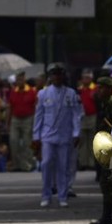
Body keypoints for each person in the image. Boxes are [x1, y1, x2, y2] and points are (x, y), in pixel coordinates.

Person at [32, 62, 81, 208]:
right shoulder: (43, 93)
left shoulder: (70, 93)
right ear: (50, 77)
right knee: (46, 163)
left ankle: (62, 195)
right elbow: (38, 116)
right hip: (47, 134)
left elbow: (76, 115)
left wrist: (76, 132)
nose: (57, 77)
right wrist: (36, 136)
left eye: (59, 75)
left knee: (63, 166)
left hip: (64, 134)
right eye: (54, 75)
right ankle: (46, 194)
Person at [89, 76, 112, 224]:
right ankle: (108, 216)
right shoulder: (103, 102)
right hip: (105, 146)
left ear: (110, 89)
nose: (100, 90)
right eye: (99, 87)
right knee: (107, 183)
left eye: (103, 87)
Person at [7, 71, 38, 172]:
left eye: (21, 79)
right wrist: (8, 122)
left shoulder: (32, 91)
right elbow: (10, 107)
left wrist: (35, 121)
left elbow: (36, 107)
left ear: (24, 80)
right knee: (13, 141)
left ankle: (27, 164)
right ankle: (16, 164)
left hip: (28, 119)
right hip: (15, 119)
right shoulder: (13, 91)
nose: (19, 81)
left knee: (27, 142)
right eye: (17, 80)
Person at [77, 69, 98, 171]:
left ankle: (91, 163)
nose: (86, 79)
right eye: (84, 77)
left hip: (93, 116)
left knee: (92, 140)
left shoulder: (95, 89)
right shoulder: (79, 90)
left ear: (91, 78)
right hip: (82, 117)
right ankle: (83, 162)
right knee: (82, 141)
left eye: (88, 77)